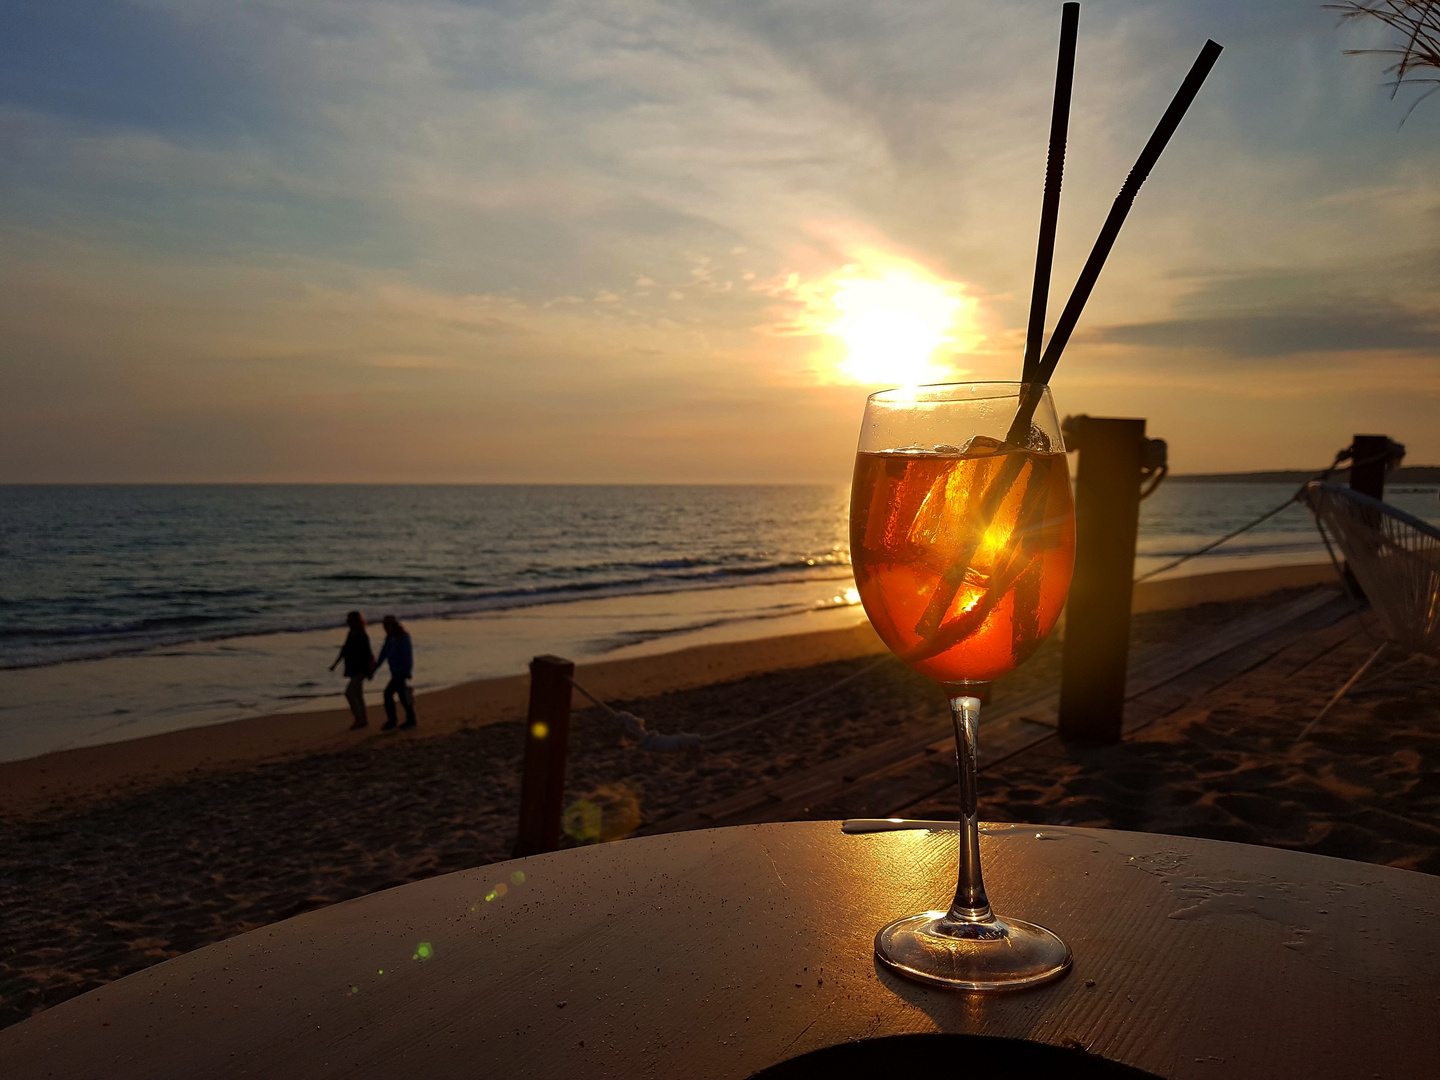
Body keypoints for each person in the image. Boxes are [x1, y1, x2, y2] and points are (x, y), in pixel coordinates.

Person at [329, 611, 374, 730]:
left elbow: (368, 654)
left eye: (350, 620)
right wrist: (335, 664)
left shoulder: (363, 636)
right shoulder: (350, 634)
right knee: (358, 694)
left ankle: (359, 718)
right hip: (352, 668)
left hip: (361, 669)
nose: (348, 622)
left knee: (349, 693)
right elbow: (344, 650)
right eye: (347, 620)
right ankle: (363, 719)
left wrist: (369, 671)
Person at [376, 615, 417, 731]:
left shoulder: (403, 637)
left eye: (387, 625)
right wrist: (375, 667)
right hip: (394, 671)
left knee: (388, 694)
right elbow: (383, 653)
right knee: (402, 695)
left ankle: (394, 720)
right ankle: (409, 718)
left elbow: (407, 655)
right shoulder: (389, 638)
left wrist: (407, 671)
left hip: (401, 671)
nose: (385, 627)